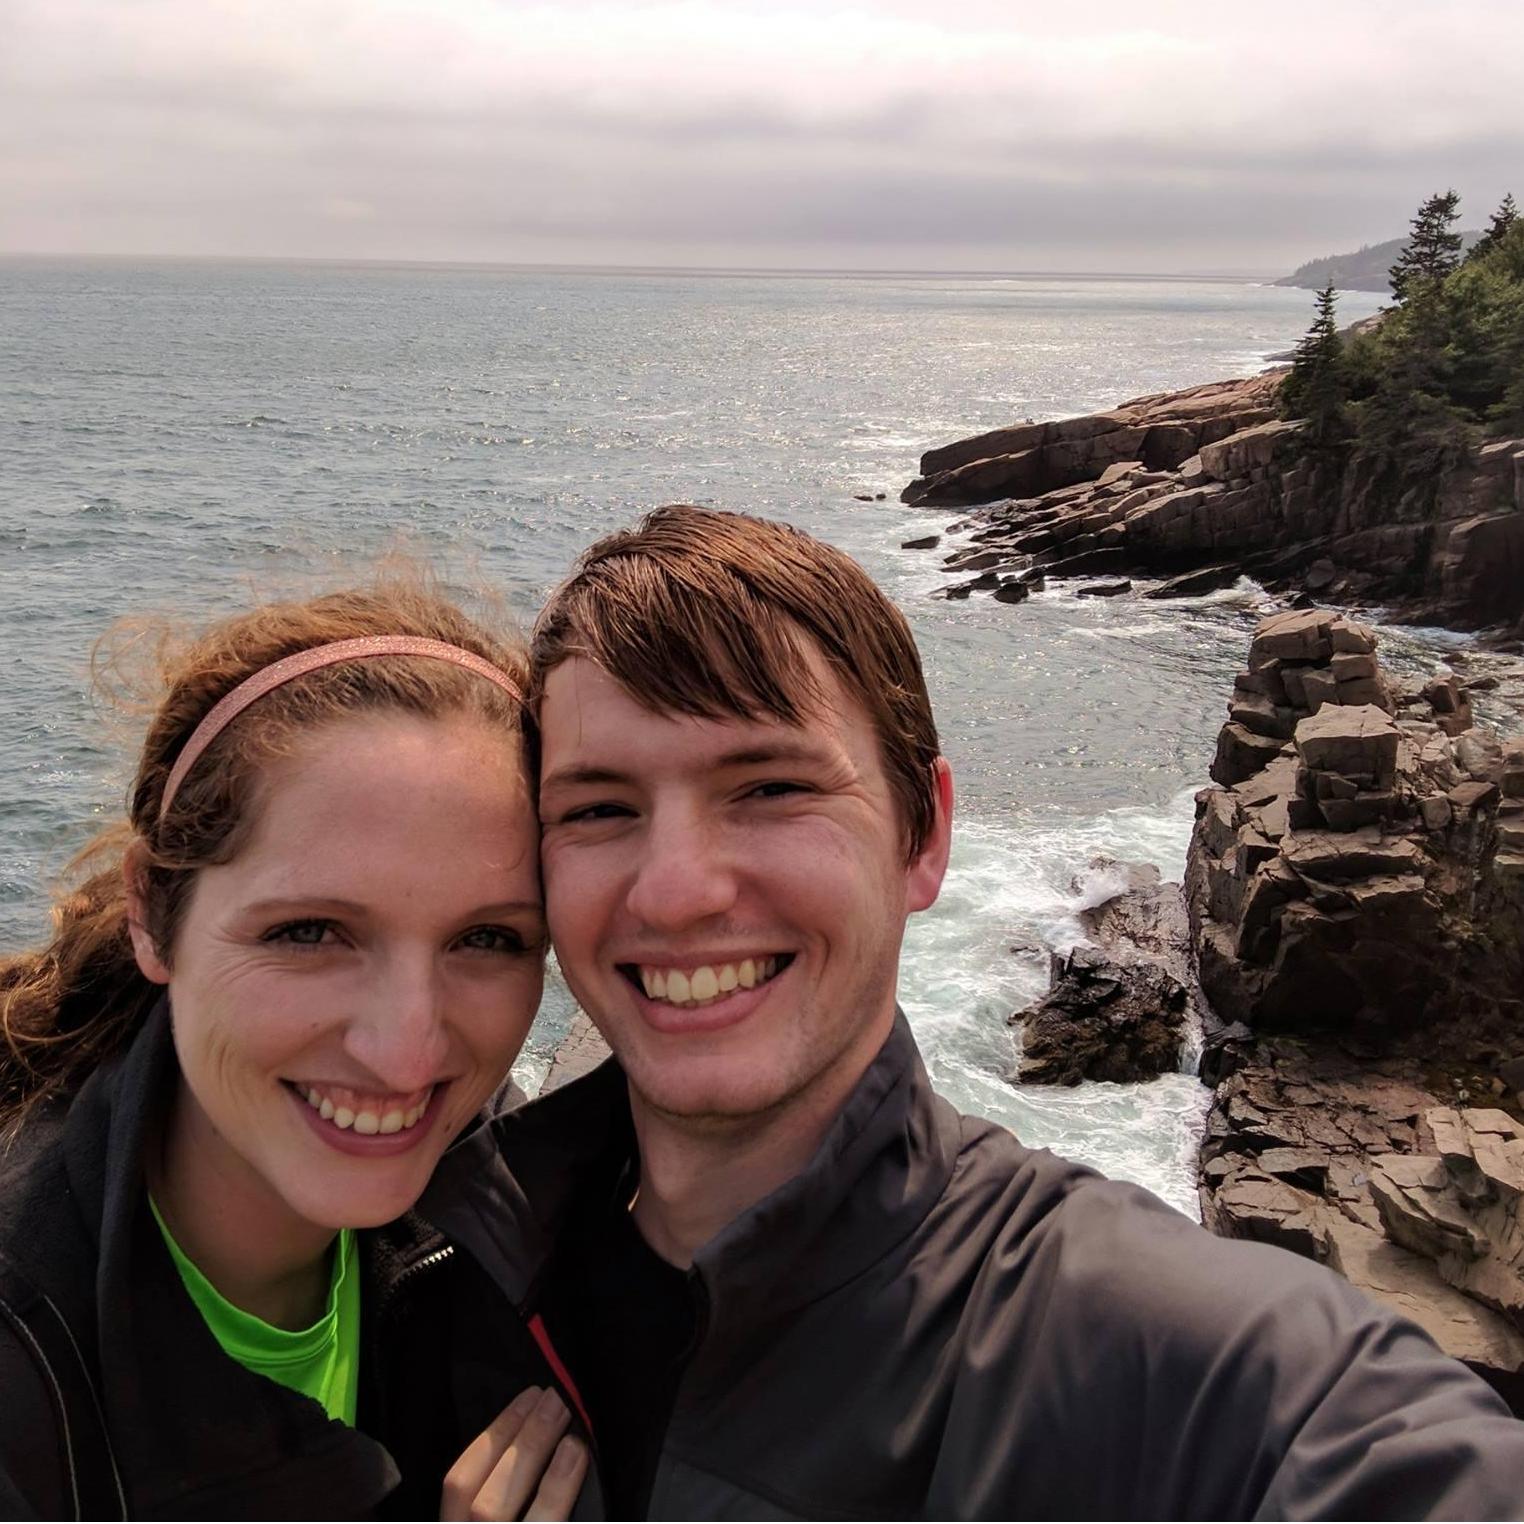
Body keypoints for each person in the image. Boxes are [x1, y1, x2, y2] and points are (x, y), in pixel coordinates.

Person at [424, 504, 1524, 1520]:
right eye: (601, 807)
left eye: (770, 788)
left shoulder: (1163, 1356)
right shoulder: (429, 1267)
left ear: (925, 836)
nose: (675, 889)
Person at [0, 582, 589, 1519]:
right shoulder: (27, 1362)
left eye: (487, 940)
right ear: (155, 912)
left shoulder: (526, 1220)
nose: (405, 1052)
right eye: (310, 933)